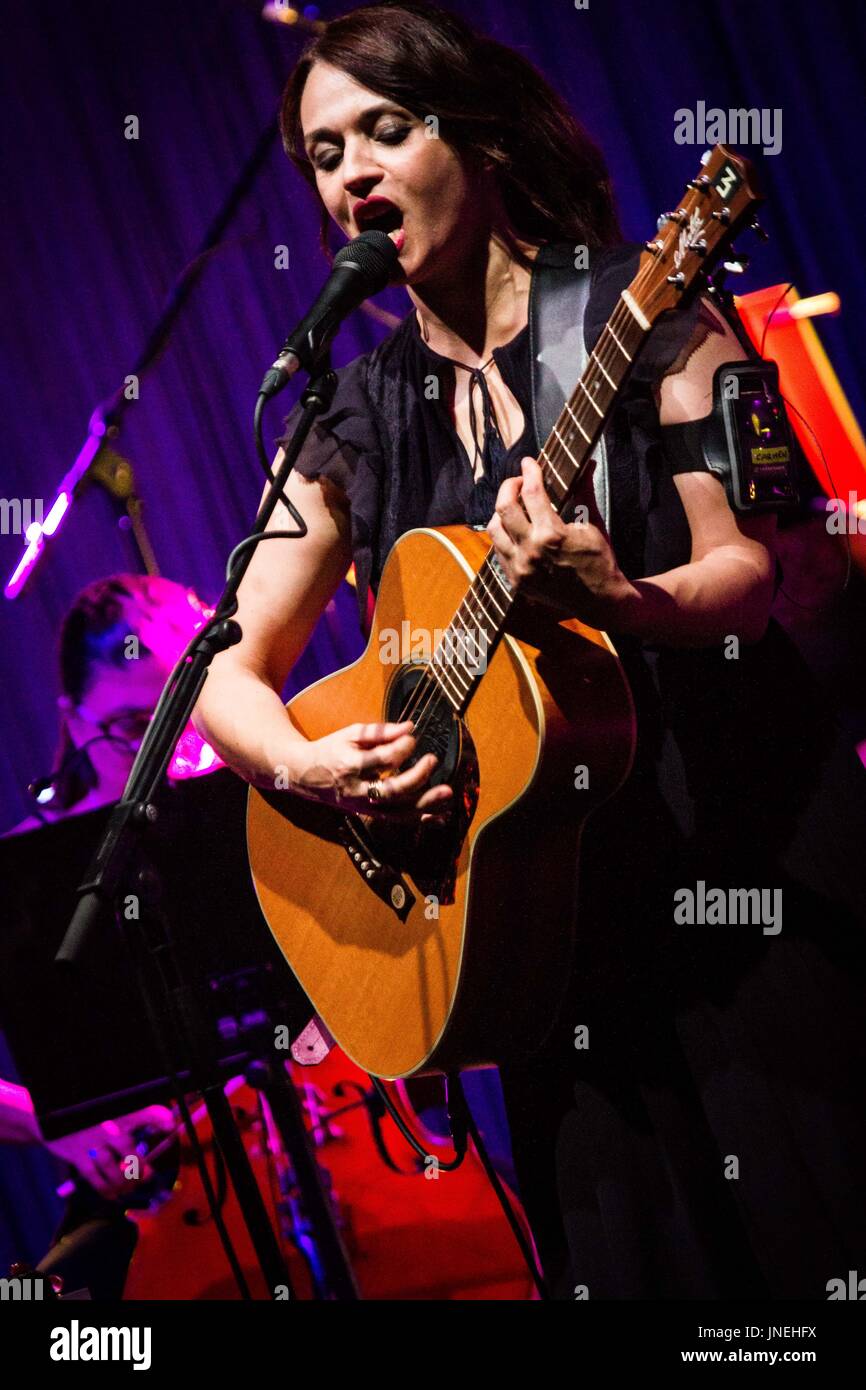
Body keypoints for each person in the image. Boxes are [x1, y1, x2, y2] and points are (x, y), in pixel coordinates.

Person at [193, 2, 866, 1299]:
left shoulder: (640, 306)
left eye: (385, 130)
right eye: (324, 156)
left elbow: (760, 569)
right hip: (541, 947)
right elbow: (225, 667)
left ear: (481, 134)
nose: (351, 175)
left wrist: (624, 592)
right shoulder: (355, 411)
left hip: (755, 895)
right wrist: (310, 764)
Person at [0, 573, 213, 1295]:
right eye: (129, 728)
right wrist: (57, 1124)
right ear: (73, 718)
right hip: (151, 1215)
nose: (163, 755)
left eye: (179, 720)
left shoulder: (243, 813)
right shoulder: (25, 872)